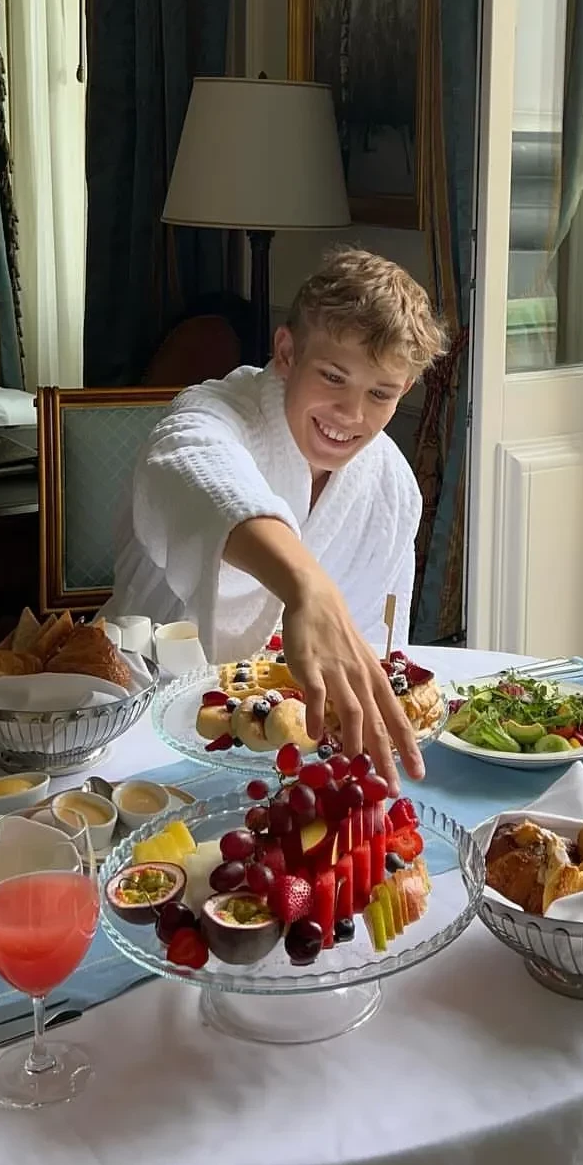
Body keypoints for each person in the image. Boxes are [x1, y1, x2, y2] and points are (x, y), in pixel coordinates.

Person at [109, 247, 446, 787]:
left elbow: (363, 653)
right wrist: (308, 587)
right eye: (333, 377)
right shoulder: (212, 413)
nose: (351, 414)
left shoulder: (391, 484)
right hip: (137, 727)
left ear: (404, 389)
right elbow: (200, 472)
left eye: (380, 393)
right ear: (287, 352)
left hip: (298, 749)